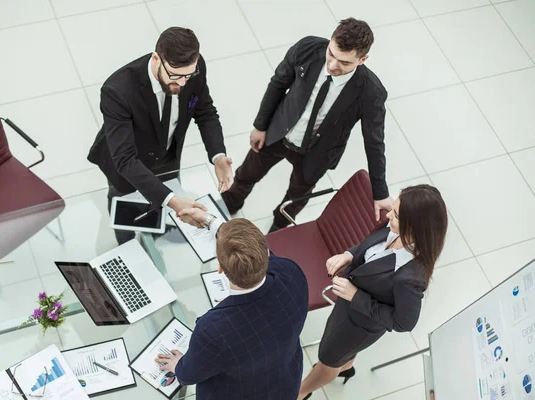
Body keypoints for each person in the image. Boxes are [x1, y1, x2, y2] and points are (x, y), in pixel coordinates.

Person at [222, 18, 392, 233]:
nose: (332, 66)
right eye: (331, 54)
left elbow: (374, 142)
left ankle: (279, 229)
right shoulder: (308, 48)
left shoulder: (371, 92)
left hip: (316, 153)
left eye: (344, 62)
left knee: (295, 199)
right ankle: (231, 202)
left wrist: (380, 191)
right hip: (277, 133)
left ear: (363, 59)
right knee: (246, 174)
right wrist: (260, 125)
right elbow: (278, 83)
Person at [297, 184, 448, 400]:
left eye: (395, 215)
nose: (388, 215)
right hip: (347, 307)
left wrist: (355, 296)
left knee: (327, 358)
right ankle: (345, 365)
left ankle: (301, 391)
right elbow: (369, 247)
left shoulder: (411, 277)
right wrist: (349, 255)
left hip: (359, 325)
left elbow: (404, 323)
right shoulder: (393, 228)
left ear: (413, 226)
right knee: (338, 356)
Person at [87, 27, 233, 243]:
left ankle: (154, 231)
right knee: (124, 209)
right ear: (156, 58)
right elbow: (125, 160)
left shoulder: (194, 68)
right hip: (128, 164)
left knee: (161, 201)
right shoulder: (117, 90)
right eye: (175, 76)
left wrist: (218, 156)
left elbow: (205, 112)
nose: (183, 83)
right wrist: (173, 201)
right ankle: (125, 239)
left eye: (188, 76)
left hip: (168, 158)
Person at [155, 215, 309, 400]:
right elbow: (269, 256)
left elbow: (188, 375)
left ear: (220, 268)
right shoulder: (291, 272)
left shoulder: (213, 329)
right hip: (284, 383)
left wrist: (178, 365)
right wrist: (212, 223)